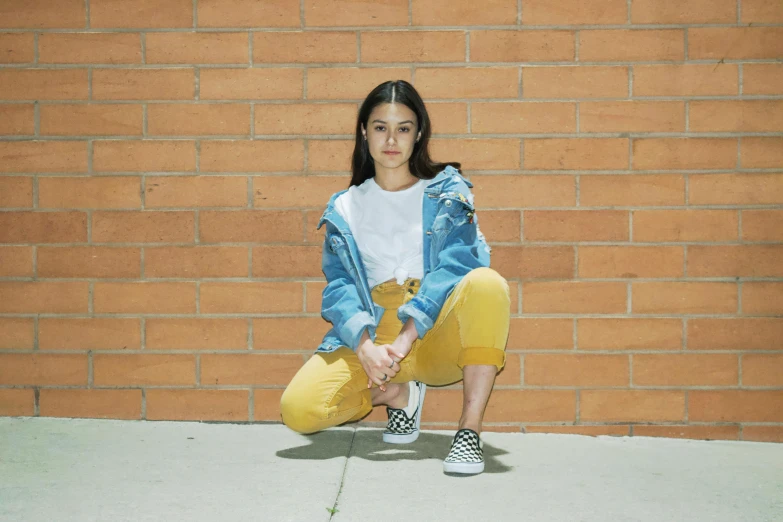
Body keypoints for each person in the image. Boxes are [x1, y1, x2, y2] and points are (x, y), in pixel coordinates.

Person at [280, 80, 510, 475]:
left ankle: (468, 433)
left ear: (418, 134)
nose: (391, 139)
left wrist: (406, 338)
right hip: (377, 335)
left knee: (487, 282)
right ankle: (400, 396)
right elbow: (339, 287)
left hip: (434, 331)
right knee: (299, 411)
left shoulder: (446, 192)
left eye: (403, 128)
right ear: (363, 132)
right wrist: (366, 347)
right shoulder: (346, 205)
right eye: (380, 127)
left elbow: (456, 265)